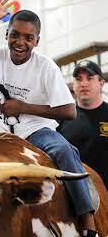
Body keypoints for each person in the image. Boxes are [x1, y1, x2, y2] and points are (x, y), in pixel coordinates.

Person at [0, 0, 98, 236]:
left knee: (65, 151)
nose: (20, 42)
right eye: (15, 35)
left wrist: (22, 107)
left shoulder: (46, 67)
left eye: (28, 37)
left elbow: (69, 111)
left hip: (36, 132)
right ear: (6, 34)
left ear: (37, 41)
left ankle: (87, 220)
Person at [58, 60, 108, 190]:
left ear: (101, 83)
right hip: (74, 196)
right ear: (73, 85)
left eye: (90, 78)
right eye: (78, 79)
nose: (84, 84)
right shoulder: (61, 119)